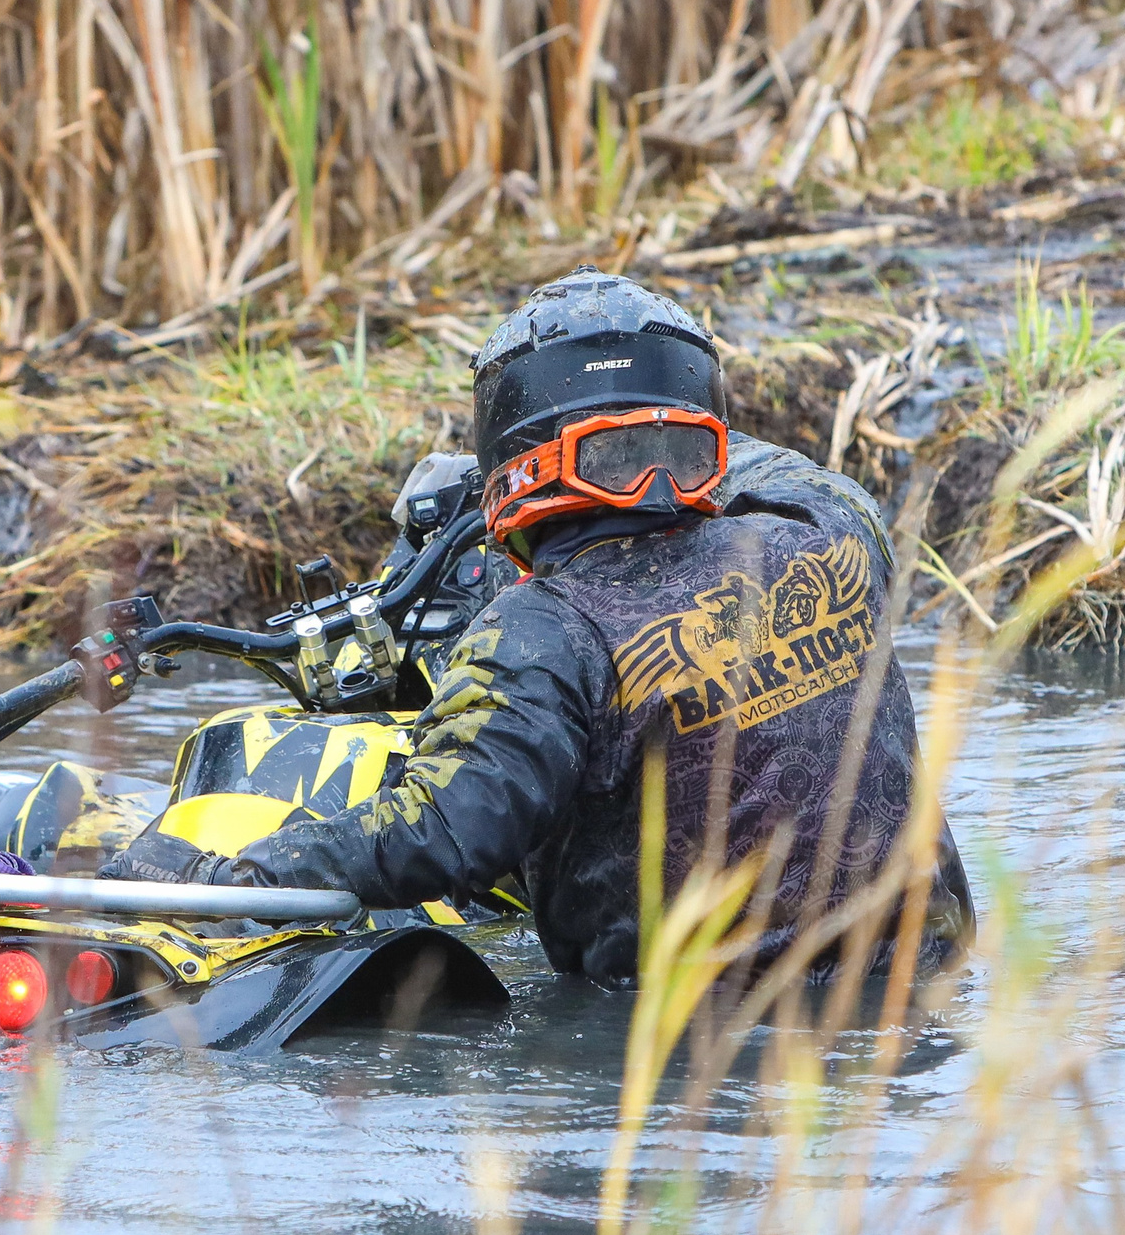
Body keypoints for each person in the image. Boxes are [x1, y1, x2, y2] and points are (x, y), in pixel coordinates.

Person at [104, 267, 973, 986]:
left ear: (511, 460)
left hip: (701, 1052)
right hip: (925, 995)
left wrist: (228, 875)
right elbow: (785, 470)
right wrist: (649, 421)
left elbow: (439, 830)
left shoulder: (542, 630)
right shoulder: (829, 528)